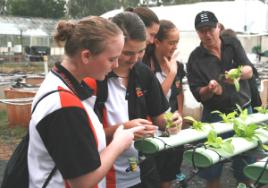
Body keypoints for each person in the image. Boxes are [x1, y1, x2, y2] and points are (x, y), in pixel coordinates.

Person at [27, 16, 144, 188]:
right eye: (112, 59)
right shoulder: (64, 105)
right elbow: (83, 181)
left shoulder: (61, 86)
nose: (116, 65)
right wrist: (118, 144)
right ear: (86, 56)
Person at [92, 12, 182, 188]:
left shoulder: (143, 73)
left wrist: (171, 122)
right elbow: (86, 138)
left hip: (141, 168)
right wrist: (123, 129)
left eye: (141, 51)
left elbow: (159, 117)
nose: (134, 59)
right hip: (105, 174)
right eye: (127, 53)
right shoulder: (96, 76)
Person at [187, 11, 255, 188]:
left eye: (210, 29)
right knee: (212, 167)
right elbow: (198, 93)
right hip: (215, 117)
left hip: (243, 112)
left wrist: (239, 74)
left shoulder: (232, 43)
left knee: (246, 166)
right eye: (202, 31)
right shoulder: (195, 59)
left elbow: (249, 69)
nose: (207, 34)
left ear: (218, 27)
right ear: (197, 33)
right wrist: (210, 89)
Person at [143, 19, 186, 187]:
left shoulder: (178, 65)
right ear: (157, 42)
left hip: (172, 129)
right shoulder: (145, 65)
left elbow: (179, 92)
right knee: (153, 176)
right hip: (153, 131)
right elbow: (153, 100)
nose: (175, 47)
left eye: (177, 42)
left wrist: (180, 112)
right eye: (171, 43)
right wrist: (171, 74)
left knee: (168, 175)